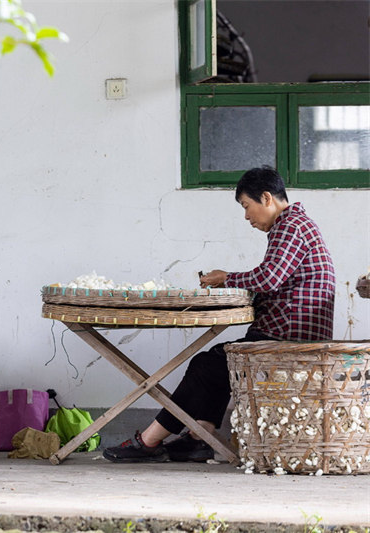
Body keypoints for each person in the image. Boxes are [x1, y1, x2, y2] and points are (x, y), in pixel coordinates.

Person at [103, 166, 336, 463]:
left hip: (287, 339)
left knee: (206, 366)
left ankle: (149, 441)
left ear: (266, 198)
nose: (246, 216)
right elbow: (275, 280)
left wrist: (226, 278)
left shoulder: (290, 226)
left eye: (246, 206)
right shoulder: (297, 225)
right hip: (292, 334)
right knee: (214, 363)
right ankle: (200, 437)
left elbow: (269, 279)